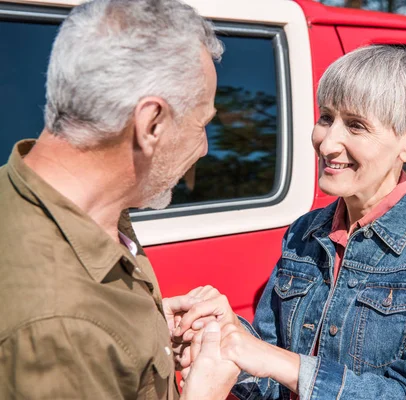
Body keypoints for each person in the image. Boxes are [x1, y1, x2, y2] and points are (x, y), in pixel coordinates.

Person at [174, 45, 406, 399]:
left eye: (355, 125)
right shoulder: (303, 233)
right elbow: (267, 376)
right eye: (326, 118)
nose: (327, 143)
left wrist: (277, 361)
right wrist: (223, 334)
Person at [0, 0, 240, 398]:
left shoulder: (79, 213)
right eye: (202, 125)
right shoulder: (63, 327)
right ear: (152, 124)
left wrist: (143, 329)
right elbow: (74, 328)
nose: (203, 149)